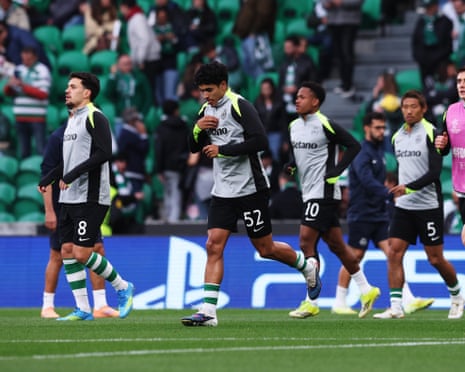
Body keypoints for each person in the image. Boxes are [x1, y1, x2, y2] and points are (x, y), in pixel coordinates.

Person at [180, 61, 319, 327]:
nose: (205, 95)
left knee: (265, 249)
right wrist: (197, 129)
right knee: (213, 245)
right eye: (201, 91)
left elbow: (261, 142)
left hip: (250, 188)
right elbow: (194, 147)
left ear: (223, 85)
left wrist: (224, 150)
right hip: (222, 190)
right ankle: (208, 312)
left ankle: (306, 266)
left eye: (209, 89)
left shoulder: (239, 106)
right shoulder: (206, 109)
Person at [38, 71, 134, 321]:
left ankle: (123, 287)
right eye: (67, 86)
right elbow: (70, 160)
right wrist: (50, 177)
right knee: (67, 250)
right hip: (68, 198)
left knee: (82, 253)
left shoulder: (96, 117)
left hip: (91, 197)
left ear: (87, 92)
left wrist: (71, 176)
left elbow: (104, 153)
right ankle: (82, 308)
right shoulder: (72, 121)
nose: (67, 90)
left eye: (73, 86)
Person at [287, 81, 380, 319]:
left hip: (324, 192)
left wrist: (337, 170)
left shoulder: (324, 123)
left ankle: (311, 300)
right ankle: (367, 290)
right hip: (308, 191)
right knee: (337, 245)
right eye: (296, 96)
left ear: (315, 102)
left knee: (306, 241)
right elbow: (296, 154)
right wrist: (290, 165)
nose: (297, 100)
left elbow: (353, 145)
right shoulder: (294, 126)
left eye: (302, 97)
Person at [331, 111, 434, 316]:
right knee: (355, 256)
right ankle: (339, 301)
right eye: (377, 128)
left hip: (378, 214)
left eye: (383, 128)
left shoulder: (379, 151)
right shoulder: (362, 152)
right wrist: (389, 194)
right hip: (361, 213)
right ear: (367, 128)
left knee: (392, 255)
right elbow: (366, 180)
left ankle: (409, 299)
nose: (381, 132)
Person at [376, 89, 464, 319]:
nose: (408, 111)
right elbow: (402, 169)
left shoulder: (431, 132)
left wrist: (410, 187)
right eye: (405, 107)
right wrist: (395, 185)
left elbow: (434, 172)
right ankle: (396, 307)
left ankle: (456, 297)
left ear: (423, 109)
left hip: (428, 206)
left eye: (413, 106)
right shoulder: (396, 137)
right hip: (404, 206)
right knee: (394, 253)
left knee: (435, 258)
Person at [40, 123, 119, 319]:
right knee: (58, 254)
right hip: (63, 204)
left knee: (97, 249)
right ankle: (47, 305)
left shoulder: (90, 137)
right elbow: (47, 176)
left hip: (85, 202)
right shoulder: (58, 137)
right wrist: (49, 211)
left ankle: (100, 305)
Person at [3, 45, 51, 158]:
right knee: (23, 151)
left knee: (41, 150)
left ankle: (43, 174)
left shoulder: (42, 70)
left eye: (28, 58)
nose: (25, 61)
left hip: (37, 118)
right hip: (20, 118)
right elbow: (8, 93)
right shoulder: (18, 69)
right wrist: (10, 85)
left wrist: (23, 86)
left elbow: (43, 94)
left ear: (35, 57)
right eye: (23, 58)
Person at [435, 66, 465, 247]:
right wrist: (441, 146)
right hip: (462, 186)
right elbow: (444, 146)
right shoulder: (450, 112)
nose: (462, 85)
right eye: (459, 81)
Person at [155, 99, 190, 223]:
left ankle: (170, 219)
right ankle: (173, 218)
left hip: (166, 166)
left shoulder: (162, 128)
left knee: (168, 192)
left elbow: (159, 150)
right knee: (176, 191)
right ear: (176, 111)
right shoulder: (184, 126)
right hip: (181, 165)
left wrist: (159, 169)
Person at [119, 0, 161, 103]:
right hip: (145, 60)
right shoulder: (135, 18)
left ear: (125, 7)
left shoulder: (137, 19)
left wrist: (140, 60)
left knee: (148, 90)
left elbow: (144, 40)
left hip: (147, 60)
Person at [322, 0, 363, 98]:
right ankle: (343, 82)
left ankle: (349, 84)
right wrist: (327, 3)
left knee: (347, 52)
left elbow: (358, 2)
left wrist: (341, 2)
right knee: (338, 54)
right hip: (333, 21)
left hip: (350, 21)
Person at [104, 53, 153, 131]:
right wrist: (112, 76)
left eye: (129, 63)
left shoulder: (140, 77)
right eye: (124, 64)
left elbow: (148, 97)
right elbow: (108, 94)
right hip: (121, 115)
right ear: (118, 65)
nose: (128, 66)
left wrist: (142, 114)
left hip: (136, 116)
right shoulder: (115, 78)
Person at [412, 0, 453, 88]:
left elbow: (448, 45)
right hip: (425, 65)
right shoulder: (421, 22)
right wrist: (420, 58)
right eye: (427, 7)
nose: (428, 10)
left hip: (441, 64)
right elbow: (416, 42)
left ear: (436, 6)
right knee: (427, 90)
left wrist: (437, 59)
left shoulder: (445, 22)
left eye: (430, 7)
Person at [232, 0, 276, 79]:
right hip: (245, 35)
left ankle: (261, 84)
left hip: (257, 35)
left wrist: (254, 31)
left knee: (256, 63)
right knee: (247, 65)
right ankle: (252, 87)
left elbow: (264, 14)